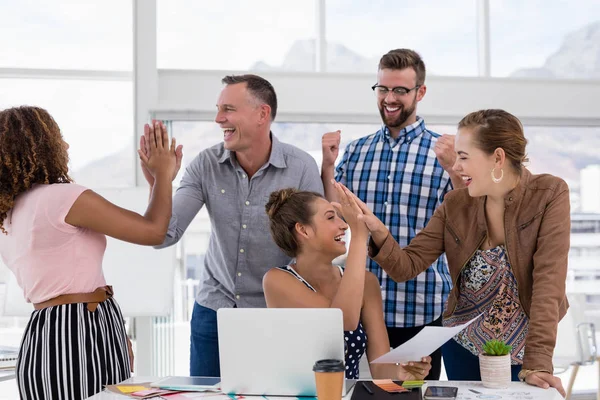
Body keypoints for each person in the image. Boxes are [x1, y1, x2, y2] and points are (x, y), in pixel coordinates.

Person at [332, 109, 568, 395]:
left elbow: (548, 282)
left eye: (464, 157)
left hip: (526, 346)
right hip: (463, 344)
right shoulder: (455, 204)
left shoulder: (549, 193)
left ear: (497, 158)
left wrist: (539, 362)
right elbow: (406, 266)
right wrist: (375, 229)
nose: (456, 167)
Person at [139, 74, 323, 377]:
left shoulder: (300, 167)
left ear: (262, 114)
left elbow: (314, 246)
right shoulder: (205, 164)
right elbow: (163, 236)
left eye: (228, 109)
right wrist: (159, 182)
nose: (218, 118)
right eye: (218, 109)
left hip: (277, 313)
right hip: (214, 311)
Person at [0, 106, 177, 399]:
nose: (66, 146)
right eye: (58, 139)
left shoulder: (8, 213)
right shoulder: (63, 197)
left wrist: (158, 182)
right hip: (79, 330)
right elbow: (153, 231)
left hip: (46, 333)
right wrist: (162, 176)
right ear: (41, 147)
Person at [320, 48, 462, 379]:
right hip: (362, 306)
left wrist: (456, 168)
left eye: (400, 90)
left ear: (420, 92)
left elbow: (462, 220)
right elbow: (335, 212)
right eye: (383, 89)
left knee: (411, 395)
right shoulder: (357, 151)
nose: (389, 98)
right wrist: (327, 167)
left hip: (422, 309)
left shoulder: (443, 152)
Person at [262, 188, 432, 380]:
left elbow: (381, 369)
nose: (344, 225)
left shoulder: (367, 283)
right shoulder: (277, 280)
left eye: (341, 218)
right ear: (303, 230)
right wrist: (360, 235)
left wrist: (403, 372)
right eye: (330, 218)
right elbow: (344, 320)